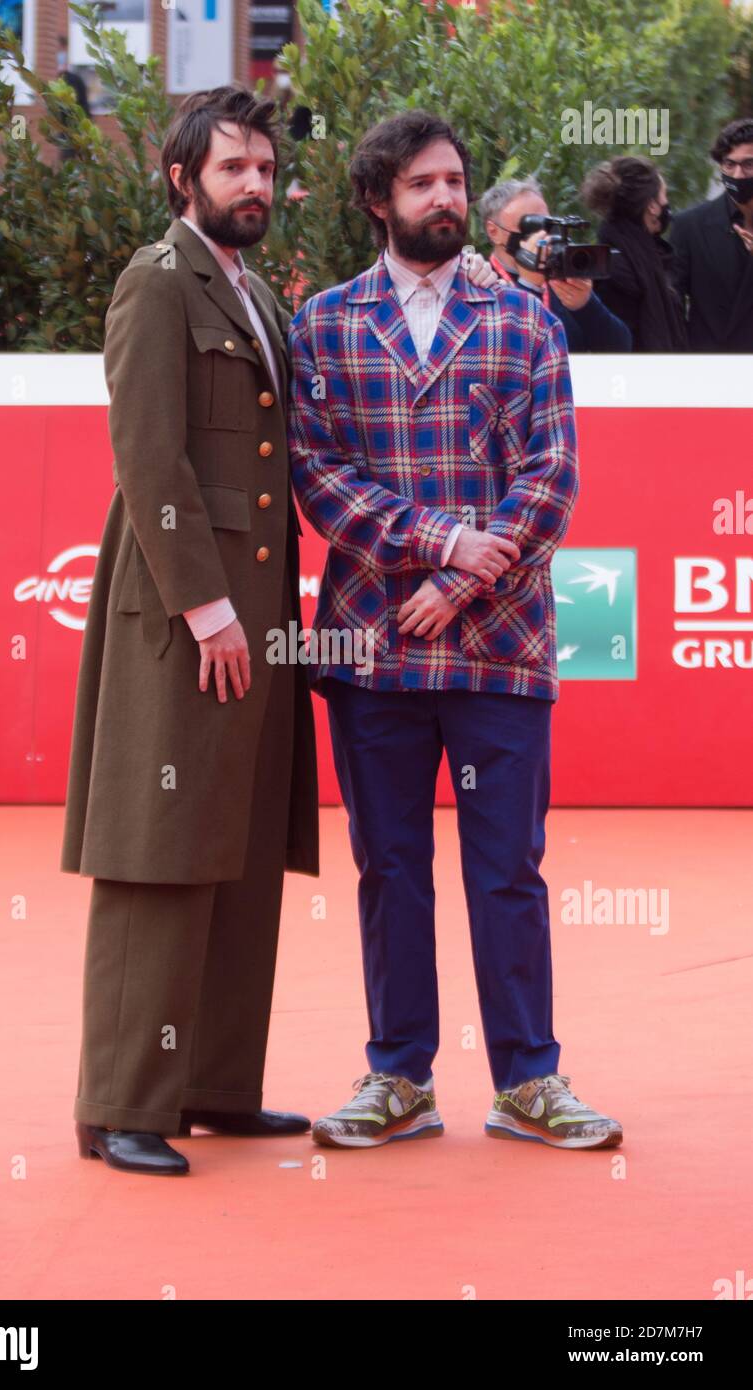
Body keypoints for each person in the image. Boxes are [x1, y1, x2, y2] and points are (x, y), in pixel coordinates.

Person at [287, 110, 623, 1152]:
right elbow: (317, 478)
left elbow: (552, 475)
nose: (442, 197)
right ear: (377, 199)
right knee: (388, 867)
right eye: (422, 182)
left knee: (506, 867)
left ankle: (529, 1078)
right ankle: (398, 1076)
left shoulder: (523, 321)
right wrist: (438, 545)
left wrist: (466, 580)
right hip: (371, 643)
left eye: (453, 180)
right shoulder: (325, 325)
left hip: (499, 643)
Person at [61, 84, 320, 1177]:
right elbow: (148, 457)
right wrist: (208, 608)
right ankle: (122, 1103)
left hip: (258, 620)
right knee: (160, 853)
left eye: (263, 168)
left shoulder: (252, 290)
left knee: (243, 847)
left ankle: (214, 1085)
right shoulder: (156, 282)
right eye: (231, 169)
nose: (252, 184)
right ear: (182, 177)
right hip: (184, 618)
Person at [481, 176, 632, 351]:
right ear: (493, 232)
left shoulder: (560, 274)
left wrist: (585, 306)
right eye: (529, 225)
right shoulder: (481, 282)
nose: (542, 234)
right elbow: (501, 350)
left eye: (547, 224)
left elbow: (621, 347)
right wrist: (529, 286)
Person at [580, 155, 687, 351]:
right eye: (664, 195)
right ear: (652, 206)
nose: (666, 203)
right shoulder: (618, 267)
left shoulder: (649, 255)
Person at [668, 117, 753, 352]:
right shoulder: (690, 226)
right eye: (729, 164)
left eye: (749, 164)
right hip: (709, 369)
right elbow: (670, 304)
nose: (738, 174)